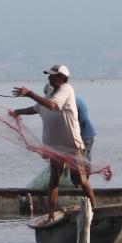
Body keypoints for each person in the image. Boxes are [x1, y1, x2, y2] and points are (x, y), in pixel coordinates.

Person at [10, 63, 96, 215]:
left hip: (71, 144)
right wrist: (18, 112)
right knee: (54, 182)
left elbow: (52, 105)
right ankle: (51, 214)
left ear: (62, 78)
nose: (49, 77)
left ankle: (94, 210)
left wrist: (30, 93)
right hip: (54, 146)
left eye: (53, 75)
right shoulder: (50, 94)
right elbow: (36, 108)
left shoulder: (66, 90)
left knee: (82, 180)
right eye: (49, 75)